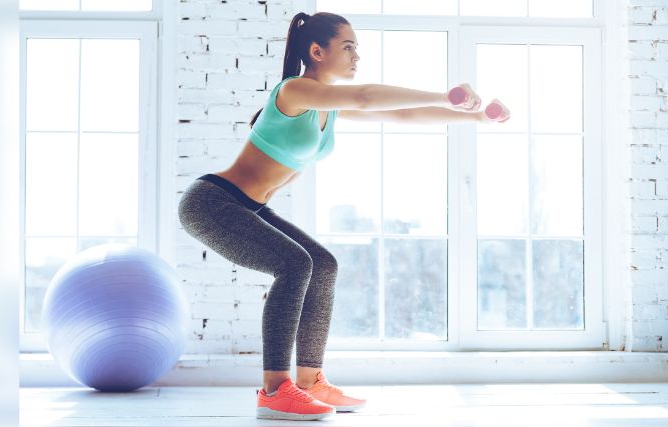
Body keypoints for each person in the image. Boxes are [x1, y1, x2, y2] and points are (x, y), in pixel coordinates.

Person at [177, 10, 510, 422]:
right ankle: (274, 391)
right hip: (212, 203)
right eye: (348, 47)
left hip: (248, 205)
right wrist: (445, 95)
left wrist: (474, 117)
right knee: (295, 264)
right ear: (316, 51)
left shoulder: (328, 107)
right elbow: (367, 96)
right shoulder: (295, 90)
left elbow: (400, 114)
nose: (357, 57)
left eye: (358, 49)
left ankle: (311, 381)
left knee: (323, 265)